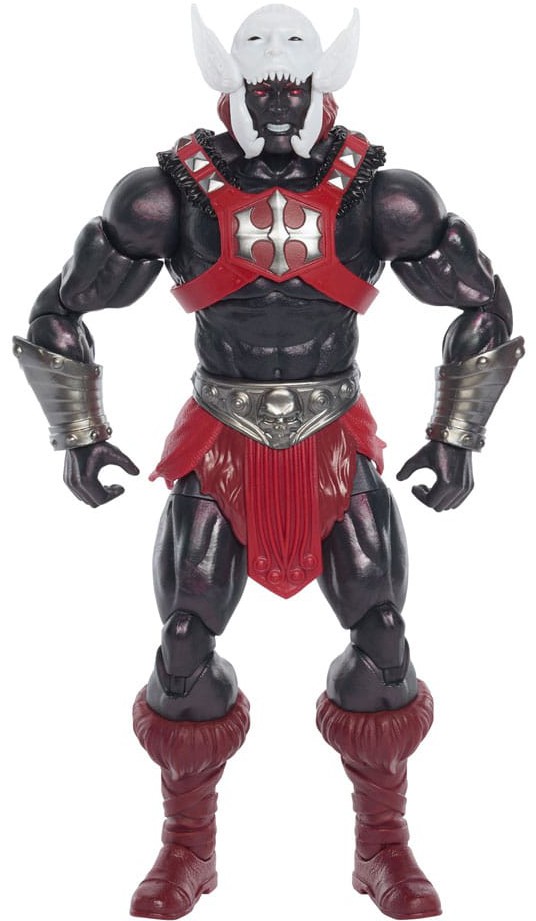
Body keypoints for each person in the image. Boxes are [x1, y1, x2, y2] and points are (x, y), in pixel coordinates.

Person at [13, 5, 524, 919]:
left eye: (294, 67)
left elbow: (483, 302)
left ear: (325, 76)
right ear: (229, 77)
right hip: (220, 442)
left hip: (334, 438)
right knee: (184, 643)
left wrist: (456, 436)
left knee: (383, 636)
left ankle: (383, 845)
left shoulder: (380, 195)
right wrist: (78, 434)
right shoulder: (168, 195)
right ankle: (187, 848)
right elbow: (61, 309)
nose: (277, 86)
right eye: (261, 67)